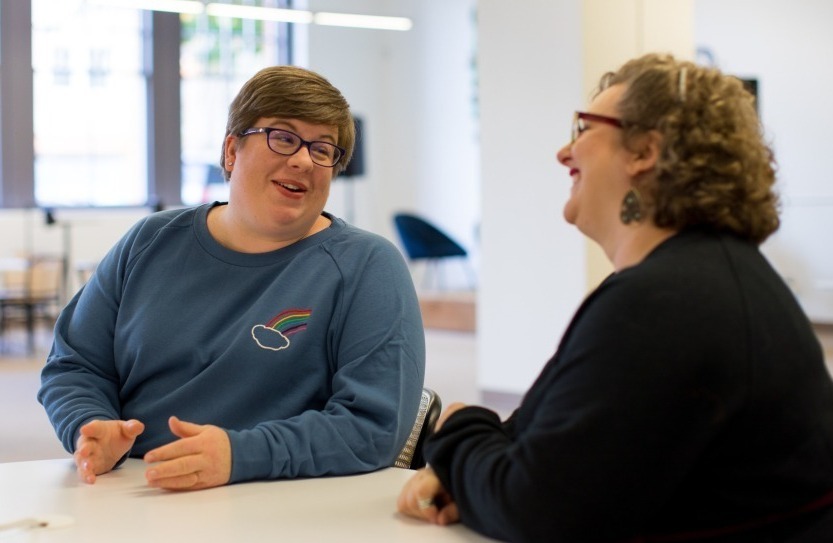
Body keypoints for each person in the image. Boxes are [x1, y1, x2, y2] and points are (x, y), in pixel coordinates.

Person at [397, 53, 833, 542]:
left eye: (583, 128)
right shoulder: (705, 277)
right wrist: (469, 468)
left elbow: (535, 511)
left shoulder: (667, 302)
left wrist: (456, 428)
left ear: (644, 150)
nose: (565, 152)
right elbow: (538, 436)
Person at [38, 65, 425, 491]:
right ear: (230, 150)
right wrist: (89, 425)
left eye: (322, 149)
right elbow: (76, 363)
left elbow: (375, 426)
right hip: (132, 492)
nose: (302, 159)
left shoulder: (367, 267)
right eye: (283, 137)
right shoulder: (151, 241)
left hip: (275, 502)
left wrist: (241, 455)